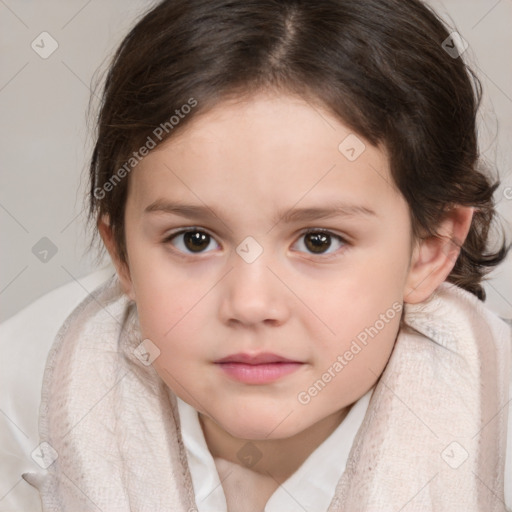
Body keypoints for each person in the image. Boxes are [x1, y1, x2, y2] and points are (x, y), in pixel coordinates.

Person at [11, 0, 512, 510]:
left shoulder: (500, 431)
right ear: (121, 253)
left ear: (430, 249)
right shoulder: (26, 403)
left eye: (319, 241)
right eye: (195, 239)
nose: (250, 304)